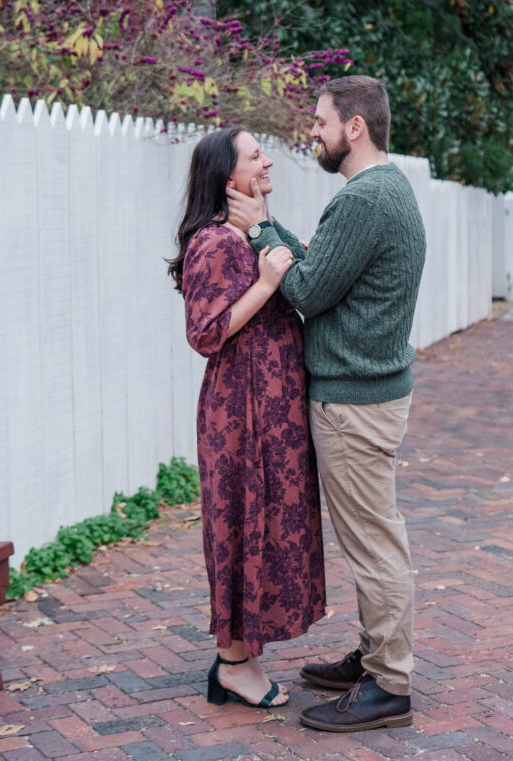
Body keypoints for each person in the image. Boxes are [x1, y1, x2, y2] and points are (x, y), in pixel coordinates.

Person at [227, 75, 427, 733]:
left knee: (373, 544)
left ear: (355, 127)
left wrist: (258, 232)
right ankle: (375, 659)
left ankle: (389, 684)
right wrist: (272, 229)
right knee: (373, 535)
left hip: (354, 403)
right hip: (367, 395)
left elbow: (307, 288)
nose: (311, 131)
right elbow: (323, 262)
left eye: (319, 121)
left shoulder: (365, 198)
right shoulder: (378, 190)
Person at [167, 127, 326, 710]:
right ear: (226, 177)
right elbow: (204, 332)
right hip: (241, 412)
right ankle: (233, 663)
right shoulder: (213, 242)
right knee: (240, 525)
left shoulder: (247, 234)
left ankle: (243, 656)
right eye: (254, 155)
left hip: (272, 409)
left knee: (267, 526)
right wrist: (266, 283)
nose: (267, 160)